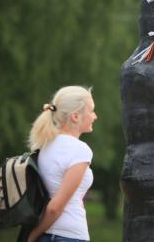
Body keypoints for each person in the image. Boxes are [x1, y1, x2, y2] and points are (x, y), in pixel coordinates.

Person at [27, 86, 98, 242]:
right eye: (91, 111)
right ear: (75, 116)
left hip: (47, 235)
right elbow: (54, 208)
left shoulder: (45, 145)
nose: (95, 116)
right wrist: (31, 237)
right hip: (68, 236)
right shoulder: (80, 150)